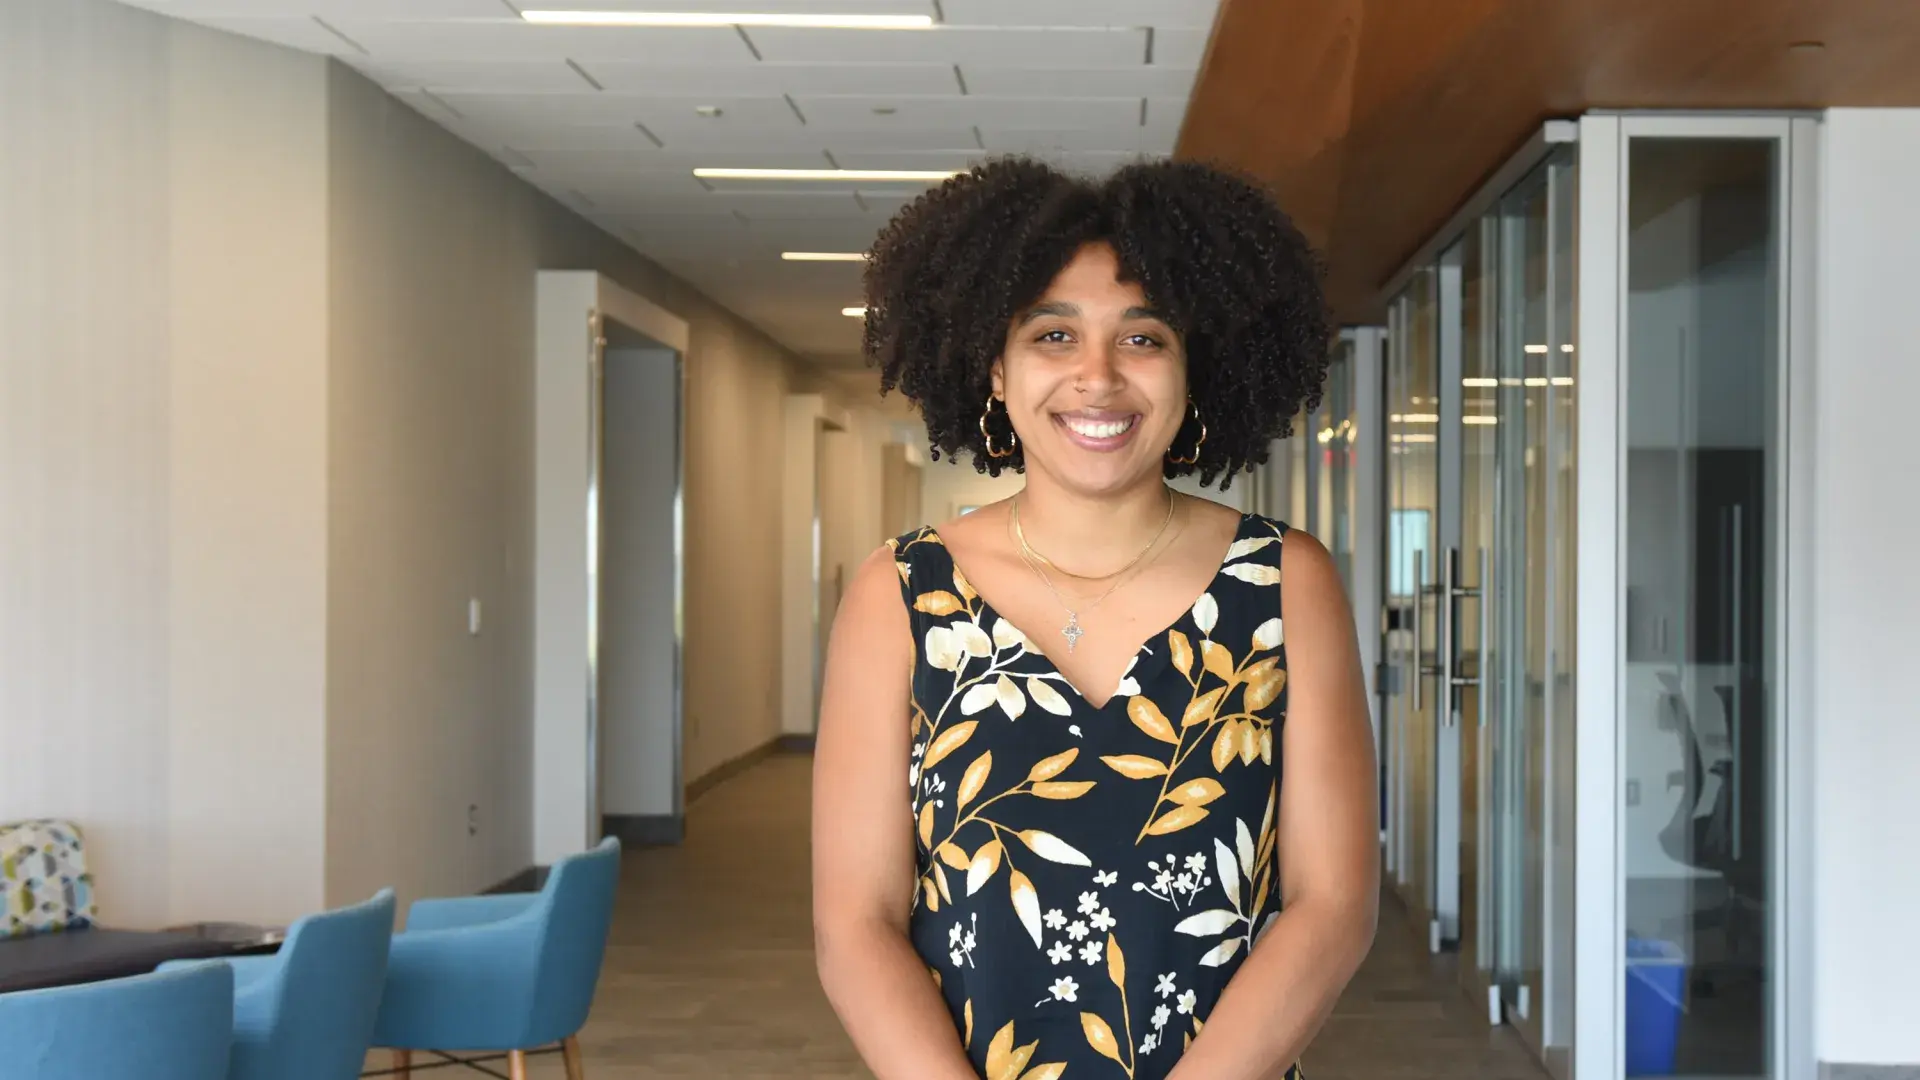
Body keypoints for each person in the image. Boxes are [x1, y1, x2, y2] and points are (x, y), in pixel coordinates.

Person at [811, 156, 1379, 1080]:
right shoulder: (902, 595)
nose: (1099, 377)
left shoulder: (1284, 584)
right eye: (1053, 336)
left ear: (1196, 367)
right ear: (995, 367)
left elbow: (1334, 905)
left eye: (1144, 338)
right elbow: (854, 922)